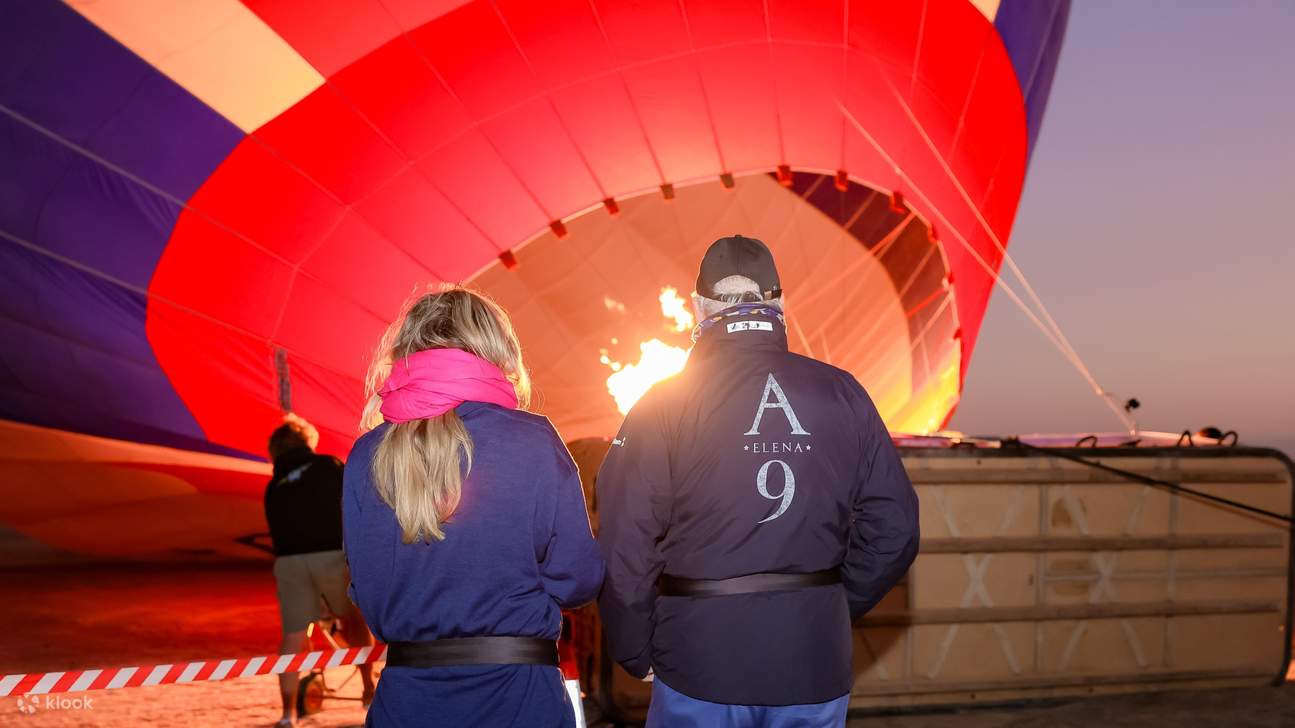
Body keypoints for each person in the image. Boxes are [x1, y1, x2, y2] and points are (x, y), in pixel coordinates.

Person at [597, 235, 921, 727]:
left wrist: (633, 647)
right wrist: (826, 603)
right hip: (812, 660)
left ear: (697, 306)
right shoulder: (843, 392)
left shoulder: (662, 403)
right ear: (780, 303)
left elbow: (624, 539)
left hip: (699, 658)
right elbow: (895, 528)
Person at [343, 286, 604, 727]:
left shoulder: (366, 454)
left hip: (409, 704)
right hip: (517, 701)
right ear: (496, 350)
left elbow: (366, 590)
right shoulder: (531, 439)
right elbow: (578, 579)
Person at [264, 414, 376, 727]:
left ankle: (288, 714)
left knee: (294, 636)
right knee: (353, 621)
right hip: (329, 556)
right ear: (306, 442)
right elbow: (354, 504)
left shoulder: (274, 486)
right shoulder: (329, 466)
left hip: (288, 563)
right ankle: (368, 689)